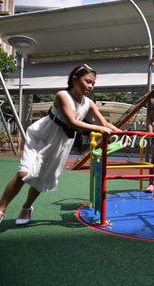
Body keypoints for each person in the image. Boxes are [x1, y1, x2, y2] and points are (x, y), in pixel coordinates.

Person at [0, 64, 119, 226]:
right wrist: (100, 128)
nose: (90, 86)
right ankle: (1, 209)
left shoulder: (89, 103)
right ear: (74, 79)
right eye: (87, 81)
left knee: (41, 178)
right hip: (42, 136)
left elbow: (105, 123)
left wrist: (121, 132)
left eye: (93, 83)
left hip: (60, 143)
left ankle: (27, 207)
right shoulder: (62, 95)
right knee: (23, 174)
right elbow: (72, 121)